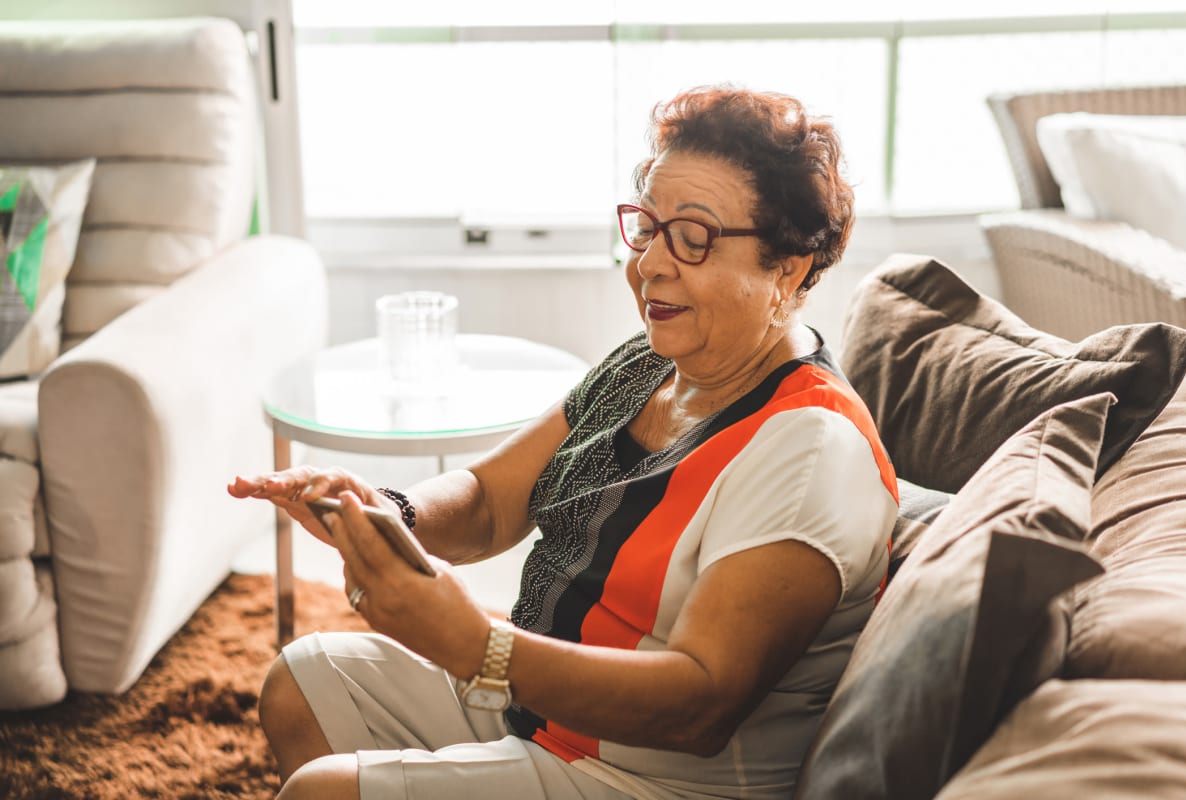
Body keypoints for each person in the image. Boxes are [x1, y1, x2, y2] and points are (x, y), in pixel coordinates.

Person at [228, 85, 898, 800]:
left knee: (322, 791)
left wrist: (476, 647)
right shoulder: (650, 364)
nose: (651, 264)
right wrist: (391, 515)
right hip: (545, 711)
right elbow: (490, 502)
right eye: (647, 226)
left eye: (694, 237)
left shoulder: (808, 451)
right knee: (302, 680)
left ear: (786, 268)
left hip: (655, 776)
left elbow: (702, 706)